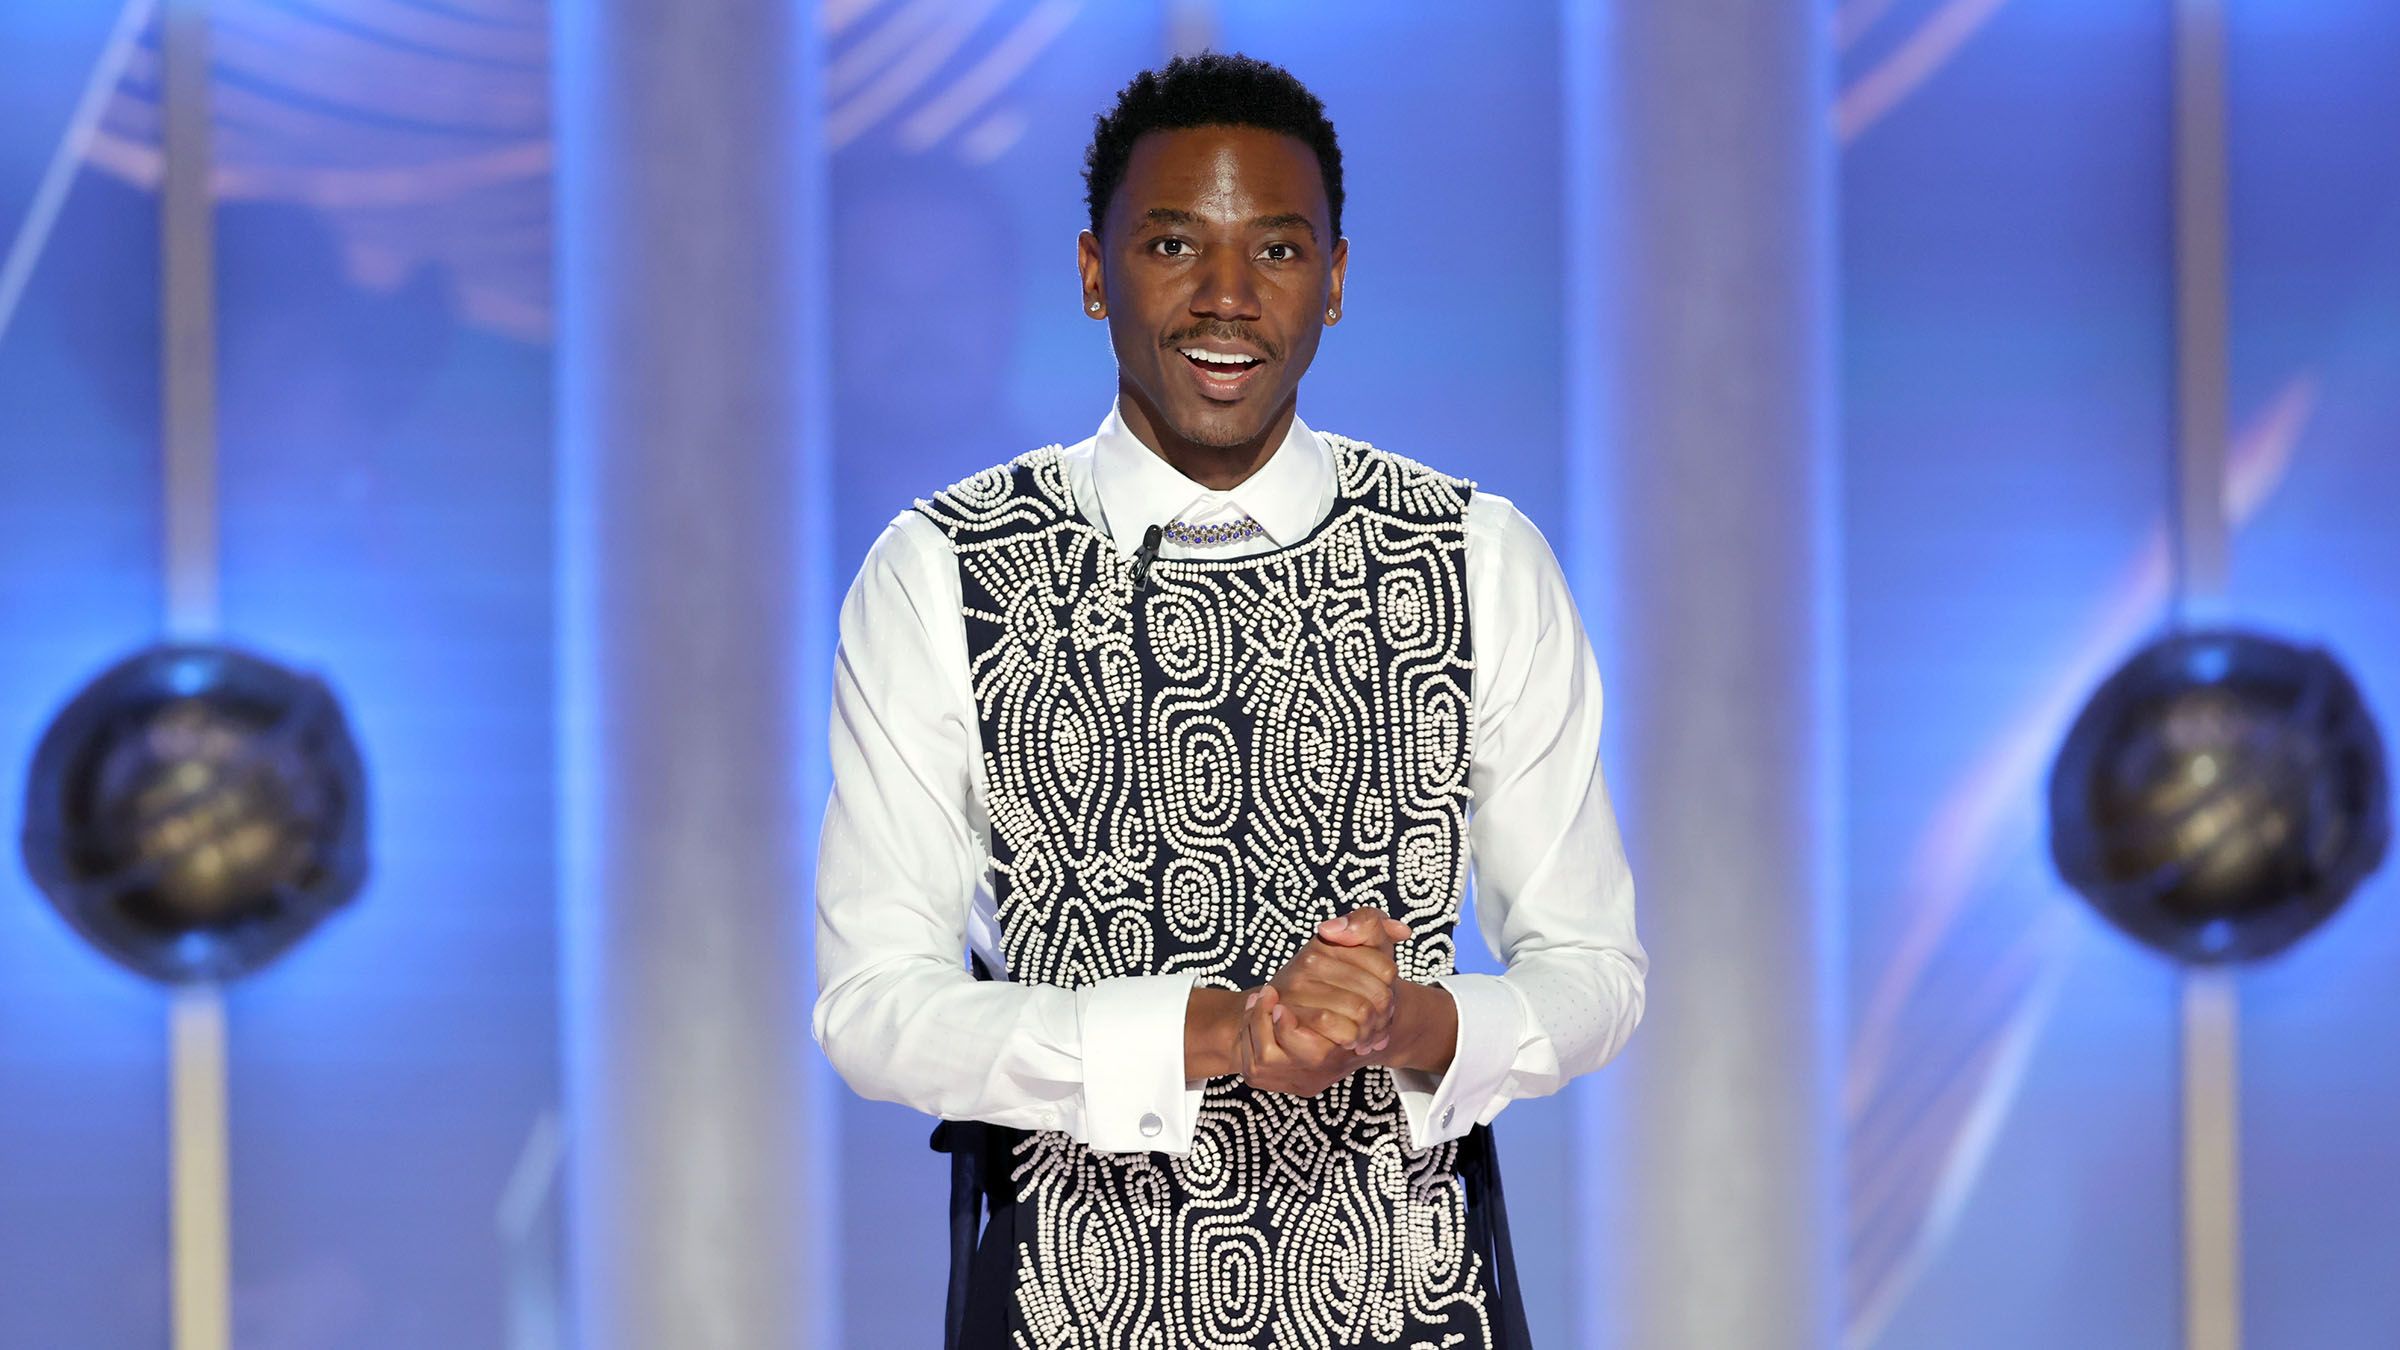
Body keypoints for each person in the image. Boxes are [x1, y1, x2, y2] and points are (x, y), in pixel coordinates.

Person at [813, 51, 1645, 1349]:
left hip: (1414, 1305)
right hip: (1069, 1308)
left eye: (1277, 249)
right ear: (1093, 273)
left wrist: (1414, 1021)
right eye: (1171, 244)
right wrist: (1212, 1033)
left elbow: (1595, 972)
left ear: (1337, 279)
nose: (1227, 296)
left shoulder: (1476, 557)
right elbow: (873, 1009)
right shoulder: (943, 569)